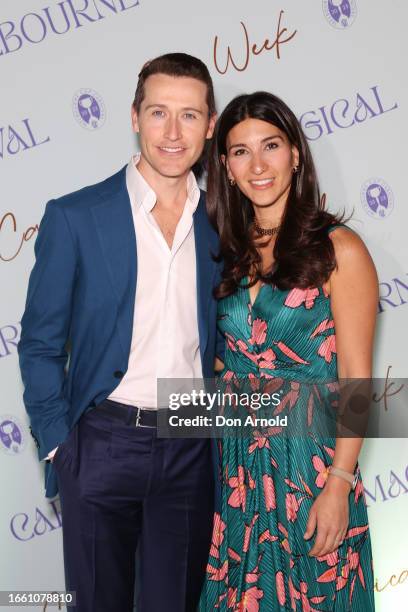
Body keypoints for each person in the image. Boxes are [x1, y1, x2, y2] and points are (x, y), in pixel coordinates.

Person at [18, 52, 222, 612]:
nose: (172, 133)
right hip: (100, 441)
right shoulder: (76, 216)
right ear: (135, 117)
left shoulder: (225, 225)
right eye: (159, 113)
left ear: (209, 125)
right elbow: (38, 343)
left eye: (189, 115)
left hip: (190, 440)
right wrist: (60, 444)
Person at [199, 92, 377, 610]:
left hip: (311, 469)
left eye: (271, 145)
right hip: (233, 476)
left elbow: (358, 379)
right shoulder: (221, 252)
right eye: (239, 152)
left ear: (295, 154)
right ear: (226, 168)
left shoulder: (338, 248)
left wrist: (339, 485)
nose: (257, 165)